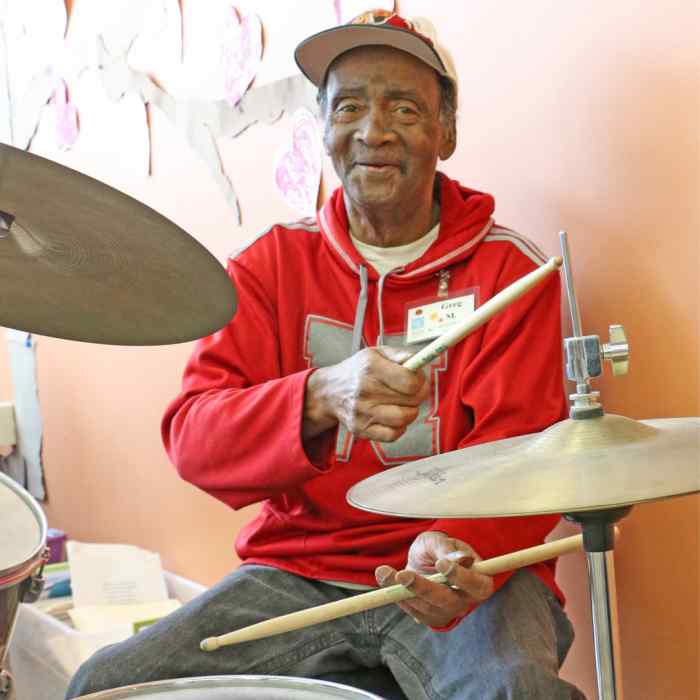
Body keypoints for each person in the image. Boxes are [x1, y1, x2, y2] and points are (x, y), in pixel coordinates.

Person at [66, 11, 586, 700]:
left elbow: (524, 454)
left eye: (404, 107)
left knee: (514, 690)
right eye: (349, 106)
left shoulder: (508, 271)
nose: (374, 130)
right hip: (298, 574)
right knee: (108, 686)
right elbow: (193, 437)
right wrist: (318, 395)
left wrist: (456, 542)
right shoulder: (267, 267)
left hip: (462, 577)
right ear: (323, 126)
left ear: (446, 133)